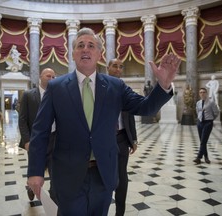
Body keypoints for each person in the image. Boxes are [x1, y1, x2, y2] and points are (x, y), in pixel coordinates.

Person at [27, 27, 181, 216]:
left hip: (104, 175)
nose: (85, 49)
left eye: (91, 45)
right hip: (68, 176)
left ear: (99, 54)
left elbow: (145, 108)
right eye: (80, 45)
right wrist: (35, 170)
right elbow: (40, 131)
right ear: (73, 54)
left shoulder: (115, 86)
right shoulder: (56, 87)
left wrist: (164, 85)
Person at [18, 68, 56, 202]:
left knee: (55, 173)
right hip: (36, 141)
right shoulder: (28, 95)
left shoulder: (57, 95)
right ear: (40, 76)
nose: (51, 78)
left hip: (54, 140)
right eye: (48, 76)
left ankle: (54, 197)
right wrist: (27, 141)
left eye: (53, 76)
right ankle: (31, 187)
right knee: (36, 169)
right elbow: (22, 120)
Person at [107, 58, 138, 216]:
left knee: (122, 177)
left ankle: (120, 213)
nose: (118, 69)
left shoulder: (125, 89)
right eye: (115, 66)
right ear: (108, 68)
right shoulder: (98, 88)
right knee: (103, 177)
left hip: (121, 138)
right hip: (103, 140)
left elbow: (130, 115)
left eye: (121, 66)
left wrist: (133, 138)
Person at [193, 88, 219, 165]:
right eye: (200, 92)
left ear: (206, 93)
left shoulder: (211, 102)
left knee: (203, 140)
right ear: (199, 94)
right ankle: (206, 157)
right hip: (200, 123)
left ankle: (198, 157)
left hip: (208, 123)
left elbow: (216, 112)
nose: (202, 94)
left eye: (204, 92)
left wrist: (210, 119)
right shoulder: (198, 103)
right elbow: (198, 112)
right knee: (203, 141)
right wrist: (199, 119)